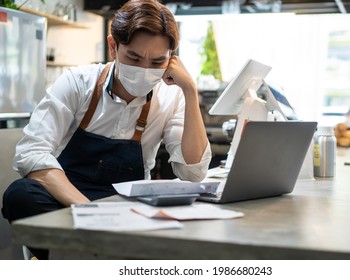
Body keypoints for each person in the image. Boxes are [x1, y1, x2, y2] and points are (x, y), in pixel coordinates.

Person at [2, 0, 211, 259]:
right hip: (68, 199)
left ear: (171, 60)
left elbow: (193, 172)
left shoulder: (171, 97)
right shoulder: (78, 83)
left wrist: (190, 92)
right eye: (133, 57)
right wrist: (89, 211)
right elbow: (31, 152)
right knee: (20, 195)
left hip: (126, 206)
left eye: (157, 62)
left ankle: (75, 259)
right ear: (113, 46)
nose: (144, 70)